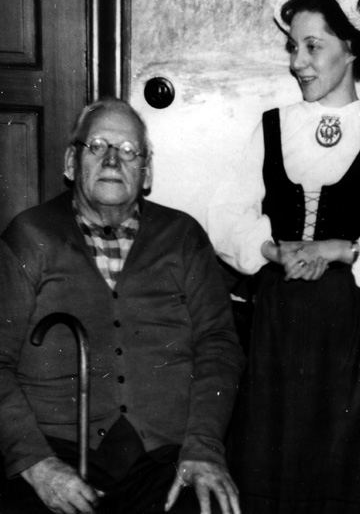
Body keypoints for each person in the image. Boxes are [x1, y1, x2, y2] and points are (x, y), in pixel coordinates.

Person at [207, 0, 360, 514]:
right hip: (274, 331)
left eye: (313, 46)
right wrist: (273, 252)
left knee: (337, 469)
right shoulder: (272, 128)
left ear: (351, 49)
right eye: (293, 47)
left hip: (346, 337)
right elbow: (228, 214)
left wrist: (339, 249)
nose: (298, 62)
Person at [0, 98, 245, 514]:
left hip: (168, 459)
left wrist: (203, 448)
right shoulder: (29, 236)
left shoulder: (183, 237)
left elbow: (218, 346)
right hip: (56, 454)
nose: (112, 160)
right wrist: (36, 464)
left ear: (146, 172)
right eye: (97, 146)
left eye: (129, 151)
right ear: (71, 162)